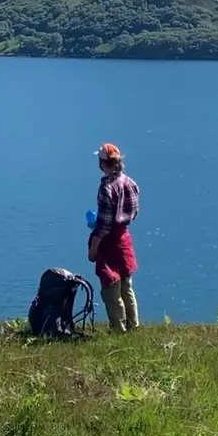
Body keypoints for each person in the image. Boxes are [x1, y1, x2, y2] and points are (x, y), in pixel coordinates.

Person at [88, 142, 139, 334]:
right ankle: (134, 326)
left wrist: (94, 247)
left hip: (108, 243)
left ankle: (119, 330)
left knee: (111, 289)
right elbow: (133, 214)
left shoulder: (106, 188)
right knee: (126, 286)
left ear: (103, 163)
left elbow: (104, 226)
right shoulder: (131, 183)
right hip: (124, 238)